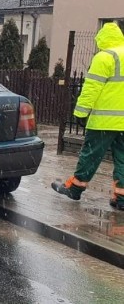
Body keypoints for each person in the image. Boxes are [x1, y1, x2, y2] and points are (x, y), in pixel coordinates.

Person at [52, 22, 124, 210]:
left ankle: (75, 188)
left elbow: (91, 88)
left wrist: (80, 113)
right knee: (123, 159)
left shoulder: (105, 57)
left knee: (90, 155)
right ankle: (122, 198)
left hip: (104, 121)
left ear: (101, 40)